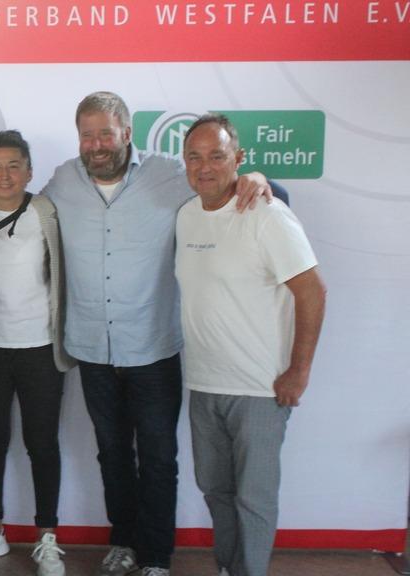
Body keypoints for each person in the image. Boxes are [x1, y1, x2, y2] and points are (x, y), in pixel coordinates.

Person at [41, 92, 271, 576]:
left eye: (106, 133)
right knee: (112, 455)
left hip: (153, 349)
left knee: (160, 458)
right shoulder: (63, 180)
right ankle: (123, 541)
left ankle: (155, 556)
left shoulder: (170, 174)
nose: (97, 145)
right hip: (93, 350)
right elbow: (22, 209)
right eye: (87, 135)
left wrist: (257, 178)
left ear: (127, 133)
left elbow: (225, 188)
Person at [176, 115, 326, 576]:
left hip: (261, 388)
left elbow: (312, 291)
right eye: (195, 157)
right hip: (204, 383)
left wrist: (299, 372)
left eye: (217, 156)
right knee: (215, 490)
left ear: (238, 159)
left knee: (254, 498)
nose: (205, 167)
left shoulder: (267, 214)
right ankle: (229, 567)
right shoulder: (185, 215)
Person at [0, 130, 72, 576]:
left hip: (40, 348)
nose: (5, 175)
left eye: (14, 166)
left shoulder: (47, 211)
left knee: (42, 444)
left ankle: (47, 538)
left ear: (29, 171)